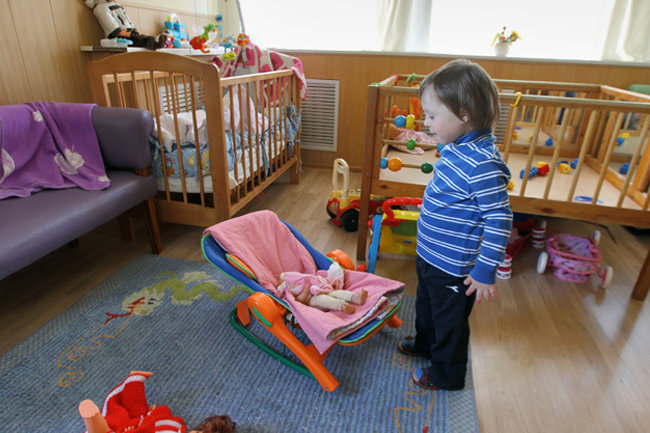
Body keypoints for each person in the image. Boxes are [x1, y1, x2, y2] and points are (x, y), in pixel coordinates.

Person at [398, 59, 512, 390]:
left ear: (464, 114)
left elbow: (500, 219)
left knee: (450, 321)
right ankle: (425, 343)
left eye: (432, 116)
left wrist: (485, 269)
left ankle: (447, 374)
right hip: (431, 256)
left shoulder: (483, 163)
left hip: (454, 267)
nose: (426, 122)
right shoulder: (458, 148)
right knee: (427, 306)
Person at [277, 262, 368, 314]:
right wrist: (304, 294)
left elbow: (320, 281)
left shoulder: (303, 280)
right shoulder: (290, 292)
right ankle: (342, 305)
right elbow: (296, 302)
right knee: (323, 299)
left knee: (337, 293)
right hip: (311, 300)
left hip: (323, 291)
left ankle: (356, 298)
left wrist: (329, 285)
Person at [85, 0, 167, 50]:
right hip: (118, 34)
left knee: (138, 37)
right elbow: (108, 21)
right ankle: (154, 42)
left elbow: (127, 19)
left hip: (127, 30)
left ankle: (154, 40)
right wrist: (118, 32)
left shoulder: (116, 5)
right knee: (136, 40)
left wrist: (134, 29)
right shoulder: (101, 7)